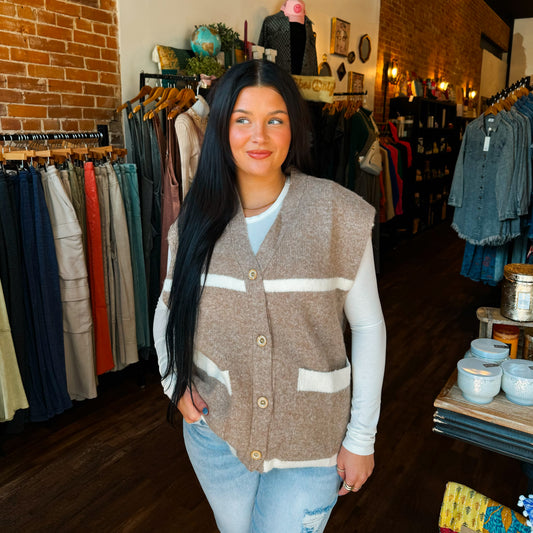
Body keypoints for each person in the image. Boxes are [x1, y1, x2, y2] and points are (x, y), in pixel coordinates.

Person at [153, 59, 386, 533]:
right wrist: (173, 380)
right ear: (222, 128)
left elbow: (368, 326)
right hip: (217, 434)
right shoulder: (196, 219)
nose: (258, 136)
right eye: (242, 120)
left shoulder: (336, 213)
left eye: (274, 120)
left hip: (311, 444)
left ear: (293, 127)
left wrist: (361, 437)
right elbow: (166, 309)